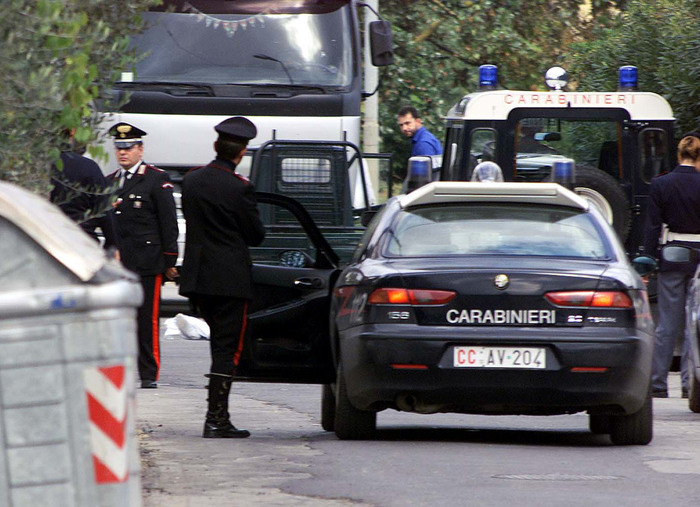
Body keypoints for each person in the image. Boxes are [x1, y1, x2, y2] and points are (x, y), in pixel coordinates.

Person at [179, 116, 266, 438]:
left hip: (199, 278)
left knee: (219, 346)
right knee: (227, 350)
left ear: (217, 146)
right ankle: (216, 418)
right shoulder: (240, 188)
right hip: (229, 280)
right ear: (241, 152)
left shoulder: (192, 180)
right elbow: (255, 235)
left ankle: (217, 416)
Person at [107, 122, 179, 389]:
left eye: (128, 148)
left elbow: (168, 222)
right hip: (118, 262)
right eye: (119, 148)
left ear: (140, 149)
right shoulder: (110, 182)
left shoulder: (155, 179)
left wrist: (170, 259)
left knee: (146, 319)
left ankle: (148, 373)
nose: (123, 153)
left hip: (147, 261)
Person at [644, 134, 700, 399]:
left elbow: (653, 226)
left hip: (673, 252)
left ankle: (658, 383)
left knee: (667, 322)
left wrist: (650, 258)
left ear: (679, 155)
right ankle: (691, 384)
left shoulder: (660, 183)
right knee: (695, 322)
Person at [50, 130, 119, 254]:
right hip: (82, 245)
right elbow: (104, 210)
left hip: (44, 243)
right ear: (72, 133)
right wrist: (112, 246)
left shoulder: (34, 168)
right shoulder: (88, 167)